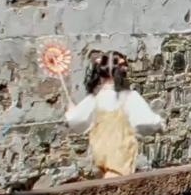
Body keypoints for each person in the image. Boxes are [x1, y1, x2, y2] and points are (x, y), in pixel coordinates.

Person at [63, 50, 163, 178]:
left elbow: (75, 120)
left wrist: (71, 111)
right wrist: (160, 123)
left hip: (100, 166)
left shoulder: (94, 99)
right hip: (121, 165)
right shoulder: (129, 98)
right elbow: (148, 122)